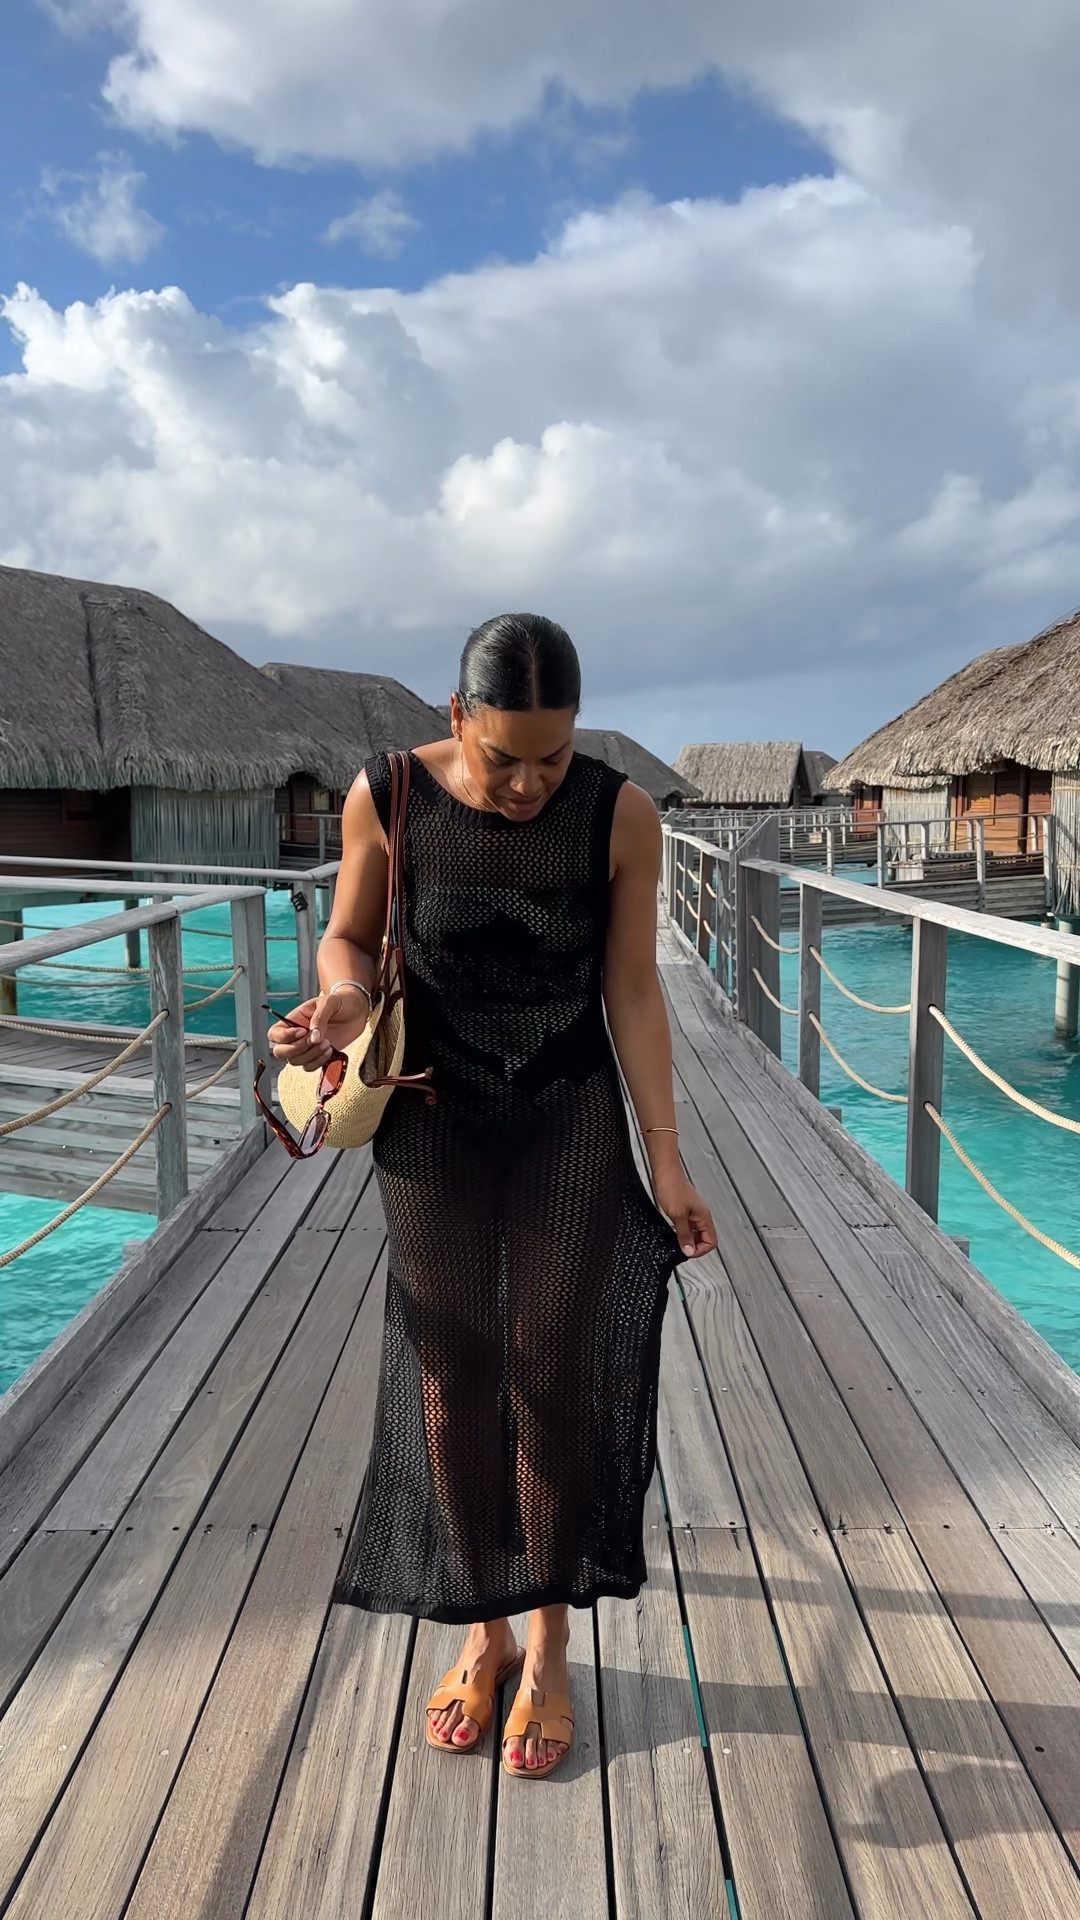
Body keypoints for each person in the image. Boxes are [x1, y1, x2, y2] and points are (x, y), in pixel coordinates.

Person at [267, 612, 717, 1781]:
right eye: (504, 757)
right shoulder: (387, 796)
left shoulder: (618, 814)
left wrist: (665, 1157)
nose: (527, 784)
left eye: (551, 758)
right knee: (453, 1381)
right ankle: (486, 1629)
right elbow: (347, 939)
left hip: (567, 1111)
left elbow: (633, 990)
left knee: (553, 1376)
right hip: (432, 1115)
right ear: (456, 716)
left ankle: (551, 1638)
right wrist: (342, 1002)